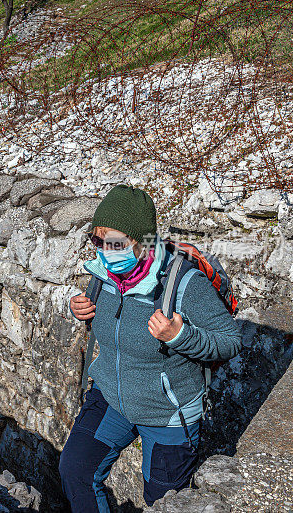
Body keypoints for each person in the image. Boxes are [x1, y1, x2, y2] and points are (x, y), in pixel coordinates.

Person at [59, 185, 242, 512]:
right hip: (111, 398)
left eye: (114, 243)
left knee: (162, 504)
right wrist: (81, 310)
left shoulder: (184, 284)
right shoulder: (102, 275)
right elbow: (116, 327)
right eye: (97, 241)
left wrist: (179, 335)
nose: (104, 251)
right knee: (76, 470)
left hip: (167, 414)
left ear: (141, 242)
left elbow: (229, 341)